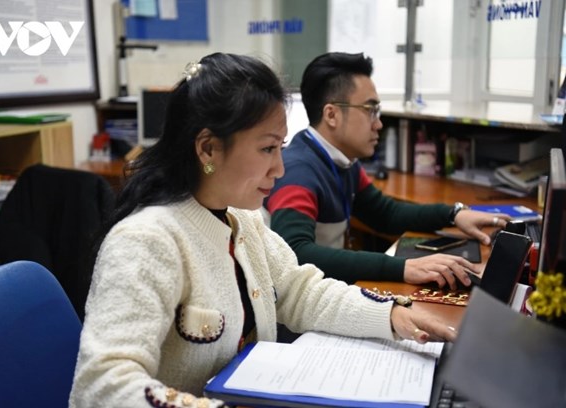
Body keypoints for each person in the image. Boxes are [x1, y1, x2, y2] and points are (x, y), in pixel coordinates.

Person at [69, 52, 457, 408]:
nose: (280, 169)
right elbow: (101, 385)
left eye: (281, 148)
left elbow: (300, 291)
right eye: (268, 149)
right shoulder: (146, 242)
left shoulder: (242, 219)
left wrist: (391, 315)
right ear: (208, 149)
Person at [264, 52, 510, 290]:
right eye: (370, 110)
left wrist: (453, 214)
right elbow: (295, 252)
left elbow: (385, 214)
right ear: (331, 115)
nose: (378, 123)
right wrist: (403, 268)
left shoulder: (344, 161)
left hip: (326, 289)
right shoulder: (298, 170)